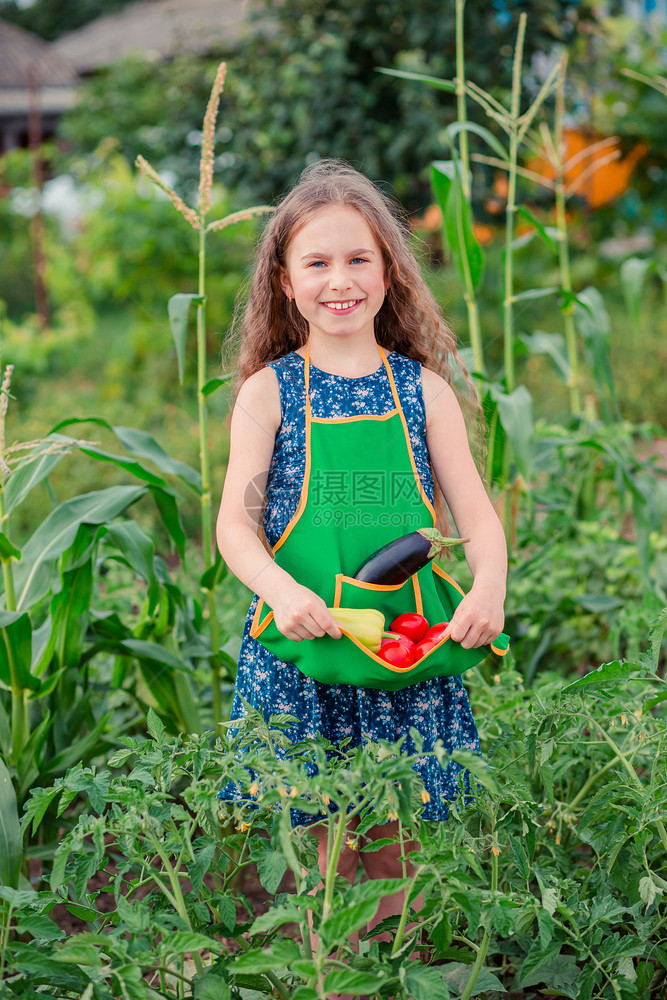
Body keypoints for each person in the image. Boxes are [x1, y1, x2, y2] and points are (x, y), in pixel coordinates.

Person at [216, 159, 507, 946]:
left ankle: (390, 966)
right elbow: (234, 529)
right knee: (323, 848)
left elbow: (477, 517)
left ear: (388, 273)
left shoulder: (422, 391)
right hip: (302, 647)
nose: (337, 280)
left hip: (403, 651)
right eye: (316, 262)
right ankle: (335, 977)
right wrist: (279, 591)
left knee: (394, 845)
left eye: (357, 260)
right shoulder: (269, 393)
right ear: (283, 279)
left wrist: (487, 591)